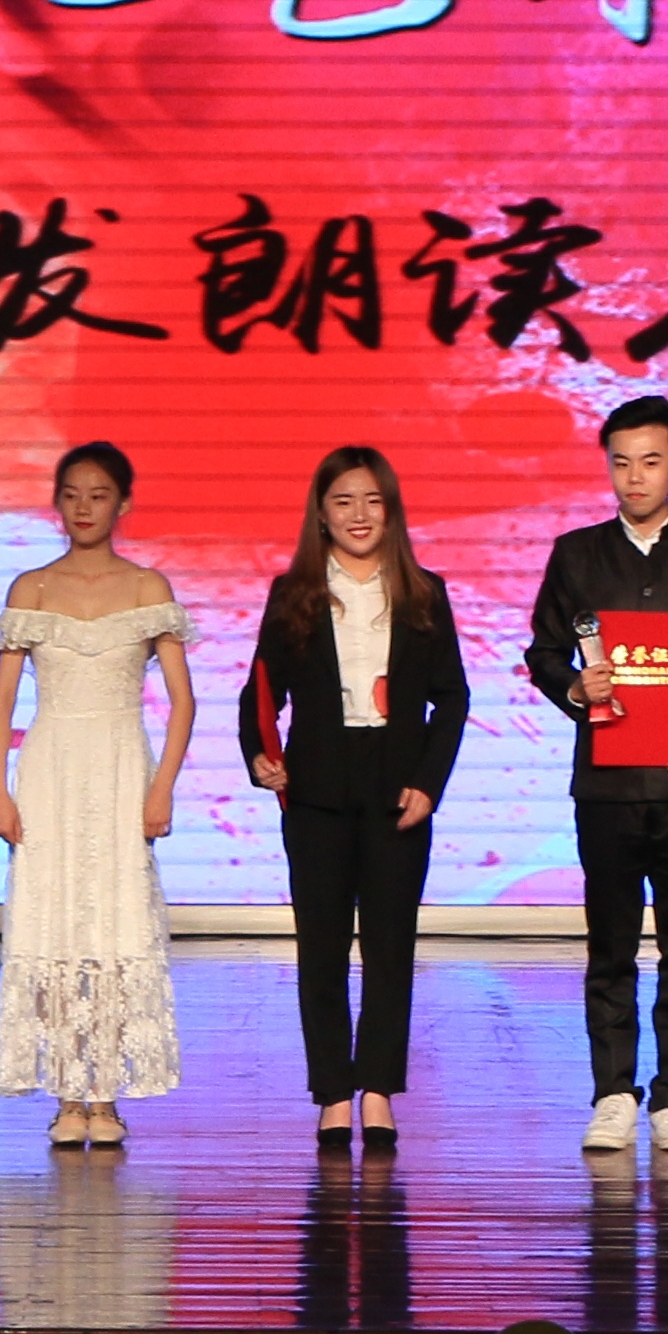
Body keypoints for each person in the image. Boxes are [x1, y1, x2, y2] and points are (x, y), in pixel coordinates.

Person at [521, 395, 668, 1155]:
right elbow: (544, 651)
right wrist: (573, 686)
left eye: (651, 461)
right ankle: (612, 1092)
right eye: (621, 462)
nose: (635, 477)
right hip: (609, 785)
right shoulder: (578, 555)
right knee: (611, 944)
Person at [242, 446, 468, 1151]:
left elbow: (452, 698)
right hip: (316, 789)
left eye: (372, 500)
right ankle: (333, 1092)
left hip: (398, 790)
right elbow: (259, 693)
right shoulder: (294, 593)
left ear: (391, 510)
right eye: (343, 501)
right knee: (322, 949)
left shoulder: (424, 593)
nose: (359, 514)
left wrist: (429, 784)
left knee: (390, 948)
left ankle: (378, 1089)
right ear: (321, 514)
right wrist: (259, 758)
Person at [0, 441, 193, 1147]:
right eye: (71, 494)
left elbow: (184, 702)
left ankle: (105, 1098)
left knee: (115, 921)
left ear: (122, 503)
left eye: (98, 494)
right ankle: (66, 1096)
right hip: (50, 768)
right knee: (53, 923)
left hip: (120, 765)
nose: (83, 507)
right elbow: (2, 706)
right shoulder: (31, 588)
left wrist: (162, 789)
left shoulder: (147, 588)